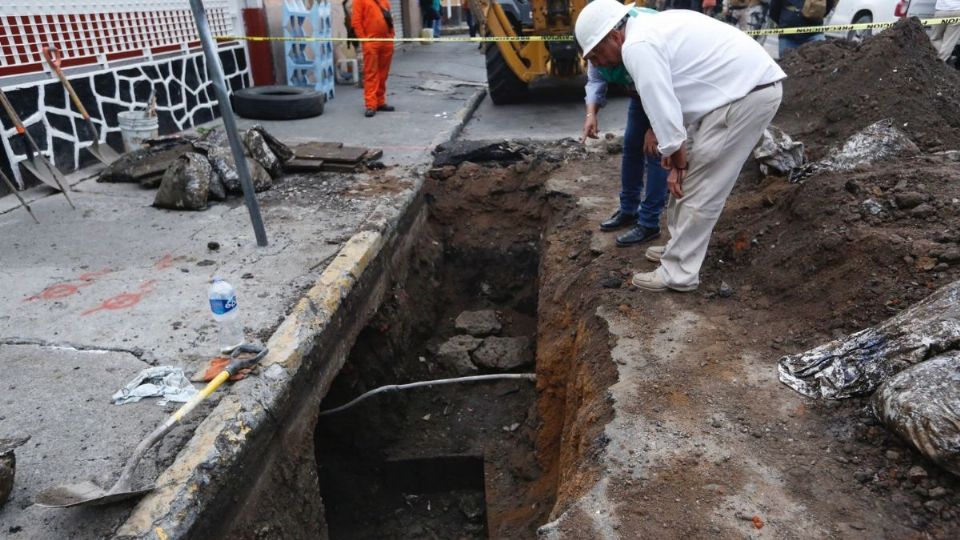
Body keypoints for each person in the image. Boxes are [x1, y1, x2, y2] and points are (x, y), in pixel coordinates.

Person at [575, 0, 785, 292]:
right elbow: (675, 98)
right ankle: (678, 248)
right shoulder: (644, 29)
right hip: (731, 94)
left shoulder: (637, 46)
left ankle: (679, 272)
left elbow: (662, 108)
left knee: (703, 182)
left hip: (746, 94)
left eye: (597, 54)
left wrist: (677, 160)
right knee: (693, 174)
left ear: (614, 35)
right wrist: (674, 152)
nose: (597, 63)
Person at [582, 60, 669, 247]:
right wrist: (591, 115)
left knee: (655, 152)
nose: (595, 59)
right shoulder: (596, 54)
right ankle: (629, 210)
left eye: (596, 54)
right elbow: (596, 82)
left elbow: (661, 89)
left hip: (661, 97)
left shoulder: (636, 52)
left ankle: (649, 223)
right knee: (631, 148)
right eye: (589, 56)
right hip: (639, 98)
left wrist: (655, 129)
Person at [353, 0, 396, 117]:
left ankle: (380, 102)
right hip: (371, 42)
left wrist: (391, 36)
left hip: (386, 41)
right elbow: (356, 21)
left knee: (383, 74)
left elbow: (389, 20)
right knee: (371, 74)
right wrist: (365, 41)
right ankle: (371, 105)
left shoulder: (385, 1)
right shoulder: (359, 1)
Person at [769, 0, 836, 58]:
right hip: (788, 36)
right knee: (787, 67)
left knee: (822, 58)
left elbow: (828, 6)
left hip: (813, 34)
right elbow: (774, 10)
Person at [930, 0, 960, 64]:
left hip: (941, 10)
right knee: (949, 41)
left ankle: (936, 60)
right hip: (958, 11)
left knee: (935, 38)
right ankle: (941, 61)